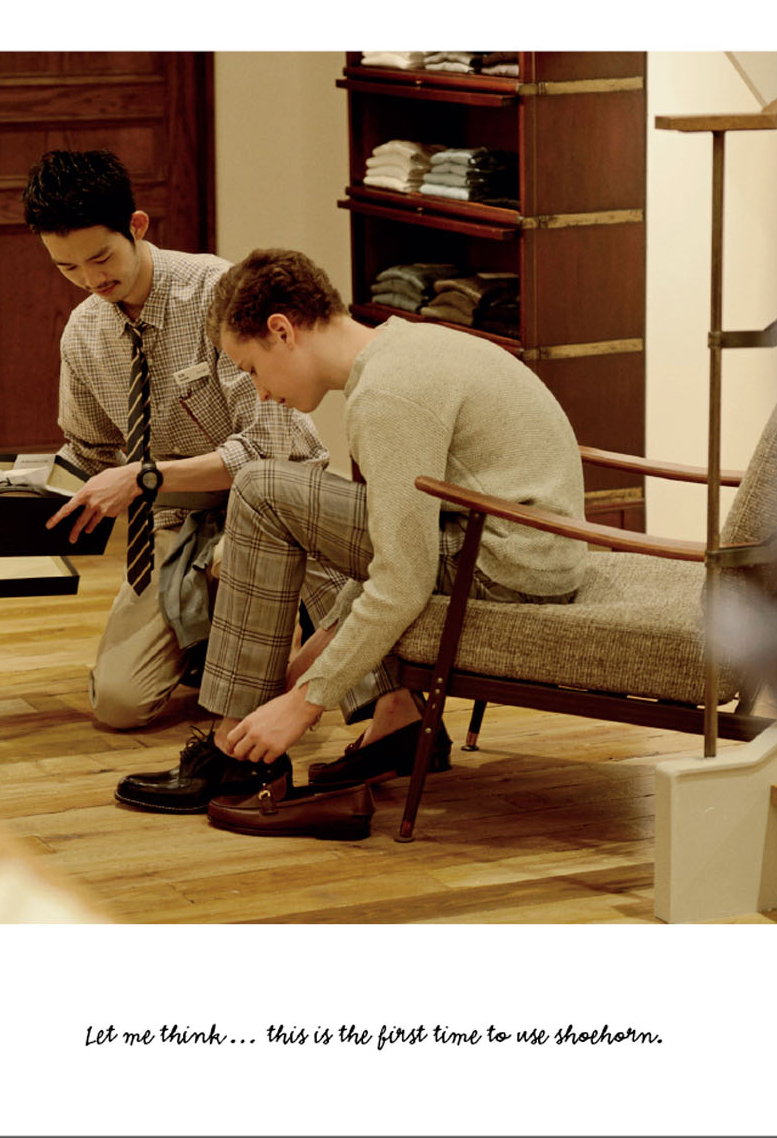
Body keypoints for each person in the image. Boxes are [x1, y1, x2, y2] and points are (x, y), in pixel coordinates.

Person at [110, 246, 588, 819]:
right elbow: (399, 541)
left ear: (282, 331)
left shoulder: (387, 397)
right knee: (287, 495)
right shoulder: (403, 346)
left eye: (252, 369)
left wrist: (304, 701)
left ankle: (234, 747)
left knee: (261, 487)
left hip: (508, 569)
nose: (260, 392)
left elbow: (402, 580)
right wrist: (313, 658)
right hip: (518, 546)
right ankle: (381, 724)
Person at [24, 150, 369, 764]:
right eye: (66, 266)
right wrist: (16, 490)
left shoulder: (216, 293)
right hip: (176, 515)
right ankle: (215, 642)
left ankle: (268, 648)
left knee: (350, 681)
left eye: (100, 258)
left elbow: (271, 444)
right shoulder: (83, 331)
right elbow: (89, 450)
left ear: (137, 225)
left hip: (278, 491)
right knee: (119, 703)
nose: (89, 279)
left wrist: (145, 477)